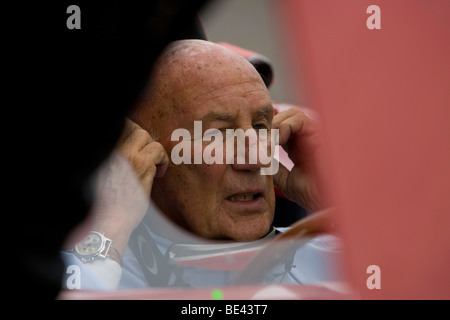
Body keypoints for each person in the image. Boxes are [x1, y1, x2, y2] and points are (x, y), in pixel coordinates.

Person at [61, 39, 343, 291]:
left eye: (260, 127)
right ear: (139, 153)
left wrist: (344, 202)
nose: (257, 159)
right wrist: (111, 228)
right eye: (216, 134)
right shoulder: (88, 274)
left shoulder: (343, 260)